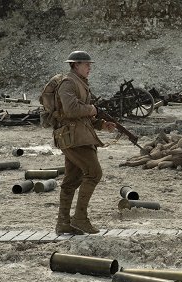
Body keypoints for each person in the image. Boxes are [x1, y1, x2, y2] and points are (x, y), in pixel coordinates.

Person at [54, 50, 116, 235]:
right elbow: (71, 110)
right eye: (86, 64)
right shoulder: (68, 83)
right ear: (75, 65)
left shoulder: (80, 83)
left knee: (71, 181)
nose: (89, 67)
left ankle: (63, 223)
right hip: (74, 138)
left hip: (78, 136)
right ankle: (80, 219)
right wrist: (93, 109)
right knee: (94, 173)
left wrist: (102, 124)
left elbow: (83, 117)